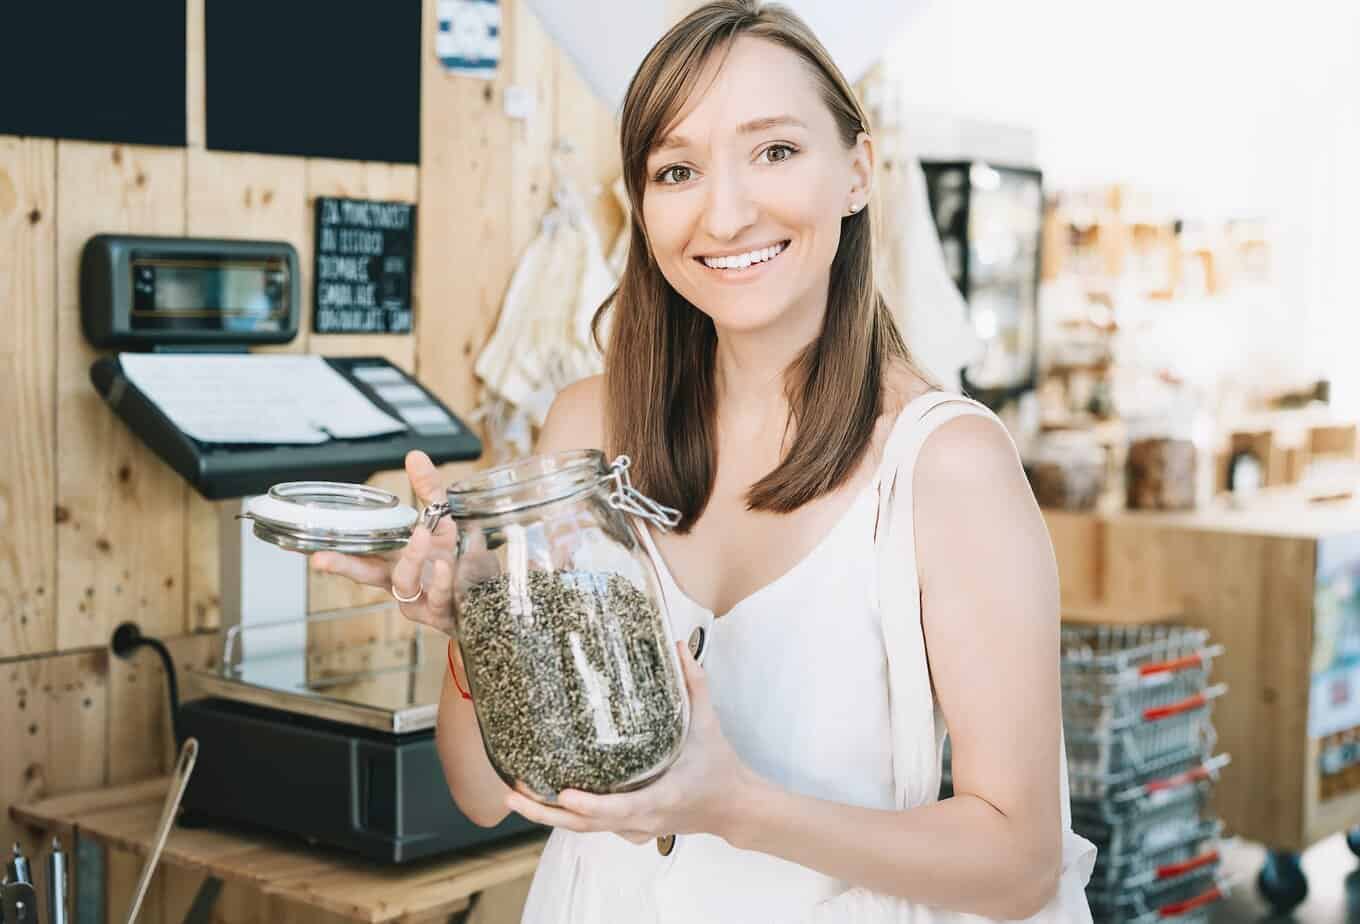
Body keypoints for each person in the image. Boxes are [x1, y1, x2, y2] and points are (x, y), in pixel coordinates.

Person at [312, 1, 1096, 920]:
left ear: (857, 170)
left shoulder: (946, 467)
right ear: (643, 210)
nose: (725, 212)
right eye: (678, 169)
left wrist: (736, 806)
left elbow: (1020, 863)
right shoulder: (585, 431)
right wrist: (473, 623)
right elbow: (485, 795)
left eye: (774, 151)